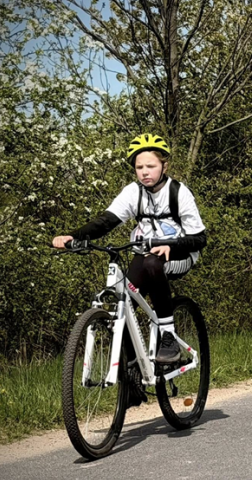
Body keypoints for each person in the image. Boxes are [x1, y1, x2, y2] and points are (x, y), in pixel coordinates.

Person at [52, 133, 207, 366]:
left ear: (164, 166)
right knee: (122, 304)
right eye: (139, 167)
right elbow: (106, 222)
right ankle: (133, 368)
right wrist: (73, 236)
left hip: (178, 254)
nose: (145, 172)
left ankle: (168, 336)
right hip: (144, 253)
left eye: (151, 166)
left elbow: (200, 239)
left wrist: (171, 245)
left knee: (153, 264)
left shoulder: (178, 192)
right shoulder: (133, 192)